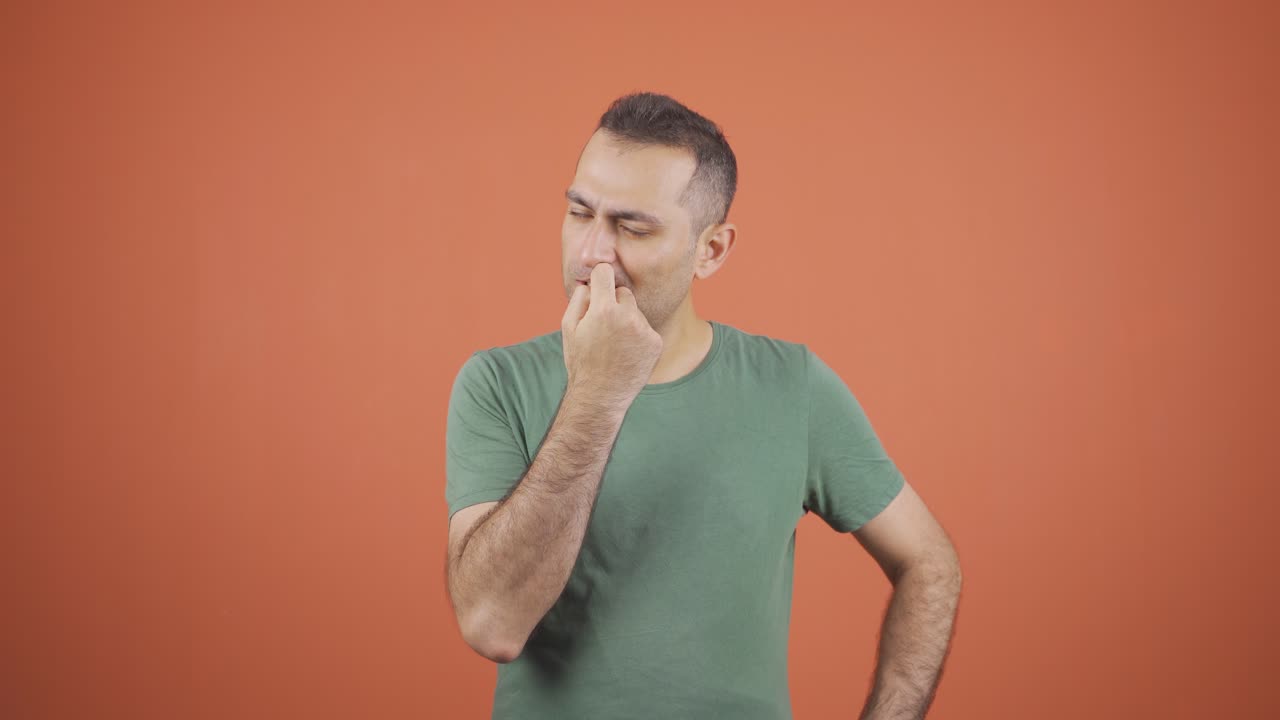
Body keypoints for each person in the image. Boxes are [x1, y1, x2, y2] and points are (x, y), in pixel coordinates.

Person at [444, 91, 962, 720]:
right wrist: (598, 392)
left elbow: (928, 560)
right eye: (580, 214)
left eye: (633, 228)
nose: (593, 254)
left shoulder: (791, 386)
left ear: (710, 251)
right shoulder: (497, 383)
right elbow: (492, 623)